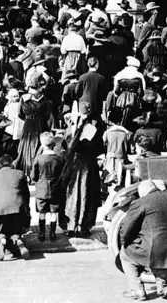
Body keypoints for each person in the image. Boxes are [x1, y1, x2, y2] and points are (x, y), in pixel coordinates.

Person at [60, 101, 104, 237]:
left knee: (71, 194)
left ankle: (71, 226)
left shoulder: (71, 129)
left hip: (73, 164)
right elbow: (99, 147)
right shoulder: (95, 126)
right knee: (87, 194)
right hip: (88, 165)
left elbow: (65, 146)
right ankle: (84, 226)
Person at [0, 154, 31, 261]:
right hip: (18, 209)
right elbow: (26, 196)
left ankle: (2, 239)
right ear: (12, 164)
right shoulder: (20, 173)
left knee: (1, 230)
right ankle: (17, 239)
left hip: (1, 210)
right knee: (16, 228)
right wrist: (26, 213)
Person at [31, 132, 64, 241]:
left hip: (41, 189)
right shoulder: (59, 159)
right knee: (54, 212)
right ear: (53, 144)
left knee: (42, 212)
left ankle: (41, 233)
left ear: (42, 144)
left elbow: (33, 176)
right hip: (55, 189)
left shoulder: (38, 158)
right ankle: (53, 233)